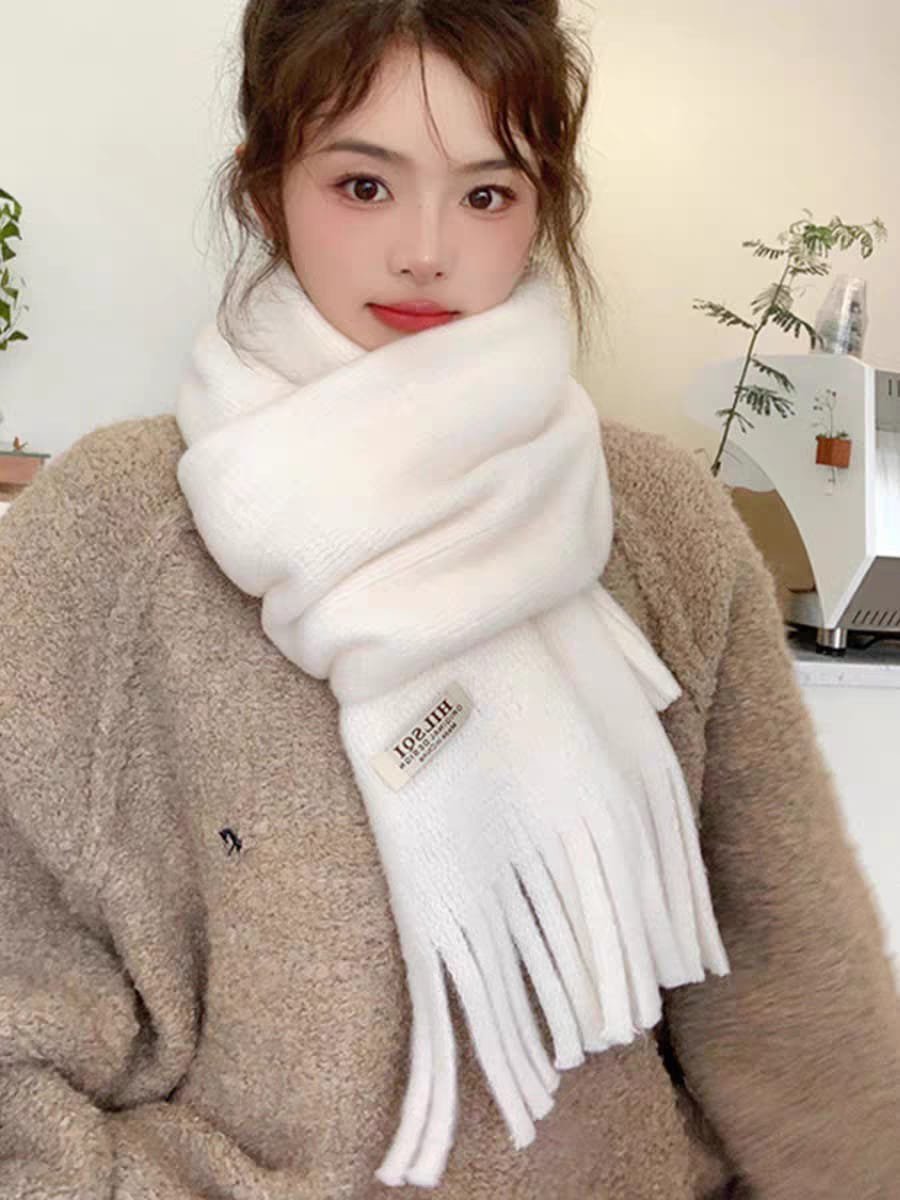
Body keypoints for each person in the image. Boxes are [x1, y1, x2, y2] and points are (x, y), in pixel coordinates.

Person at [0, 2, 897, 1197]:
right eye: (364, 185)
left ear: (545, 206)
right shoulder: (112, 528)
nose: (426, 250)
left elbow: (793, 984)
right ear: (265, 189)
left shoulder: (659, 519)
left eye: (487, 193)